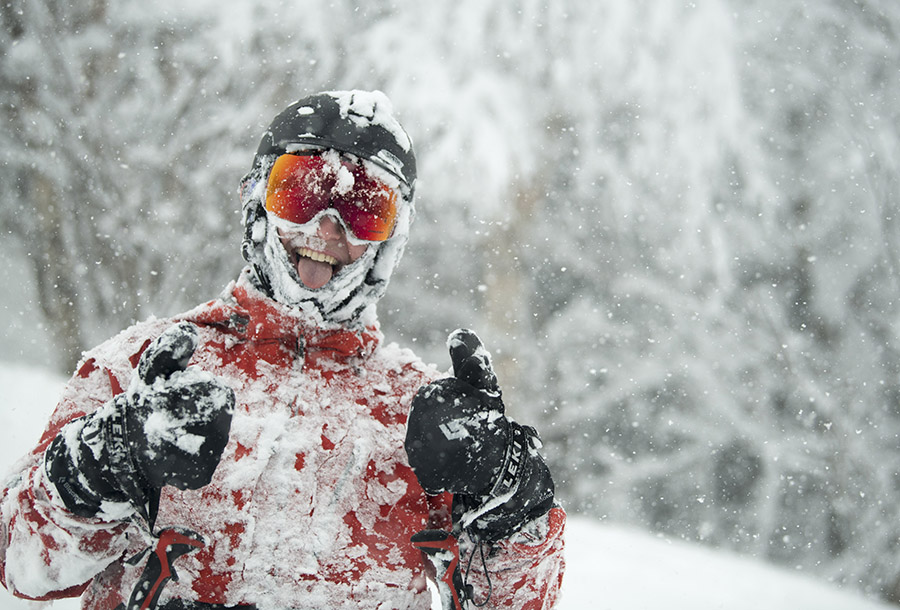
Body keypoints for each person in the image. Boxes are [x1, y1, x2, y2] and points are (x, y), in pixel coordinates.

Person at [0, 90, 565, 610]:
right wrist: (104, 461)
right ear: (259, 200)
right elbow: (22, 562)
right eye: (303, 193)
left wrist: (510, 500)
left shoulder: (424, 420)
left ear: (389, 241)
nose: (326, 228)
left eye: (363, 209)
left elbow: (519, 600)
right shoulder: (143, 369)